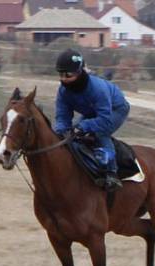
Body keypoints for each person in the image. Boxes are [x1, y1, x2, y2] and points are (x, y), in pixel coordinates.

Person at [53, 48, 130, 192]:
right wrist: (60, 133)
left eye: (68, 75)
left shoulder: (97, 88)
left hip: (115, 110)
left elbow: (104, 120)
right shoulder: (63, 91)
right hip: (92, 112)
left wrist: (84, 126)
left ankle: (111, 172)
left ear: (79, 72)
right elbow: (62, 117)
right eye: (61, 74)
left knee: (99, 133)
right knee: (71, 134)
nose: (63, 79)